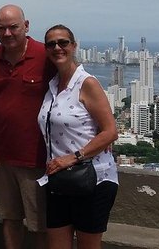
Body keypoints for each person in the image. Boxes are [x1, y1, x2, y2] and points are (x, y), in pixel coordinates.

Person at [0, 4, 55, 249]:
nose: (8, 33)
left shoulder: (45, 56)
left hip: (37, 158)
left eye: (13, 27)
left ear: (26, 26)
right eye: (2, 28)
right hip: (2, 157)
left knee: (39, 224)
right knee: (9, 218)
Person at [37, 25, 119, 249]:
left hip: (93, 179)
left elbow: (111, 131)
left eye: (63, 42)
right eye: (51, 44)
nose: (57, 48)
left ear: (73, 46)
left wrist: (73, 157)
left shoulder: (87, 83)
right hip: (59, 179)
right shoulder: (52, 85)